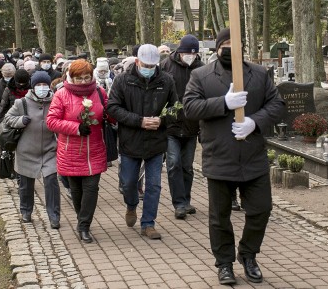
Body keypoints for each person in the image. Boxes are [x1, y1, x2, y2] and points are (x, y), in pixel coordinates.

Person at [183, 28, 285, 285]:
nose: (230, 48)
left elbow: (276, 105)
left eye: (235, 44)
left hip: (253, 157)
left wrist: (254, 121)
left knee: (262, 209)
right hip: (219, 156)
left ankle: (248, 255)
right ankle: (224, 263)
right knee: (219, 217)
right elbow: (190, 108)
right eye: (225, 44)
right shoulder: (201, 75)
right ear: (217, 47)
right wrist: (223, 103)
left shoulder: (259, 74)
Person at [107, 44, 177, 240]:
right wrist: (139, 121)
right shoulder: (123, 81)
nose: (149, 68)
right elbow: (112, 108)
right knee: (129, 183)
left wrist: (162, 120)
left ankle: (148, 223)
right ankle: (131, 205)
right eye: (146, 64)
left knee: (154, 185)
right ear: (137, 61)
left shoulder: (166, 81)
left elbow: (176, 108)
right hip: (131, 141)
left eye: (153, 65)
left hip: (156, 142)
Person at [46, 59, 108, 244]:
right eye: (79, 78)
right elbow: (51, 121)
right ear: (70, 77)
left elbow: (108, 112)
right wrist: (76, 128)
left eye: (87, 77)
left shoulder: (99, 92)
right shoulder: (62, 95)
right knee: (77, 190)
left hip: (94, 149)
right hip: (71, 151)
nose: (83, 81)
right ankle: (82, 218)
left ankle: (84, 226)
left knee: (91, 188)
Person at [2, 71, 60, 229]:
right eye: (38, 85)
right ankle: (26, 210)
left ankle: (54, 215)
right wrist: (20, 120)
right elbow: (7, 119)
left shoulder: (56, 101)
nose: (42, 88)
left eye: (45, 85)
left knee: (51, 182)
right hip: (26, 150)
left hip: (50, 150)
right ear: (33, 87)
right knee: (26, 184)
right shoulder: (22, 103)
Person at [160, 34, 204, 220]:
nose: (190, 57)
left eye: (194, 54)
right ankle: (178, 204)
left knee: (187, 166)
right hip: (171, 125)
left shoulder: (202, 69)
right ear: (179, 51)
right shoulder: (165, 66)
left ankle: (186, 200)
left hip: (192, 126)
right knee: (173, 164)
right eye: (187, 53)